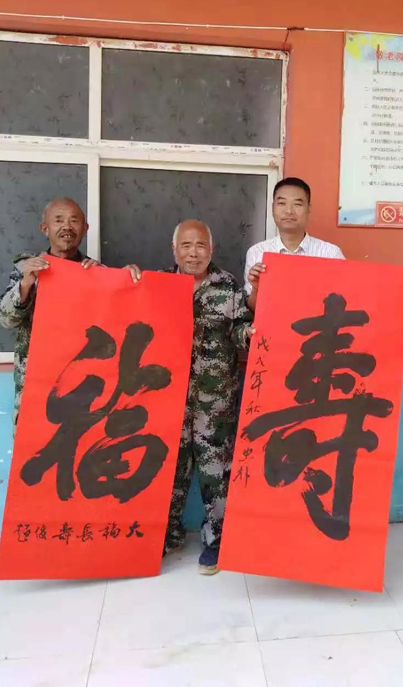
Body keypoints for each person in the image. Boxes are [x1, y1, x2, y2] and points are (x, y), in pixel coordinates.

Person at [127, 219, 253, 576]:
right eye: (186, 245)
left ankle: (217, 540)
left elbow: (240, 330)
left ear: (211, 250)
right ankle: (167, 535)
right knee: (168, 469)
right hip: (167, 401)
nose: (193, 253)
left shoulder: (228, 286)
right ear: (174, 250)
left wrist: (252, 332)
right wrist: (125, 281)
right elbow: (128, 320)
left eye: (200, 245)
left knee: (216, 473)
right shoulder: (156, 285)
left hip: (215, 402)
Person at [245, 176, 403, 310]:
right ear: (272, 209)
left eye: (298, 204)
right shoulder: (258, 252)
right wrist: (256, 288)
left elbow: (352, 296)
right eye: (282, 203)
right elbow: (253, 309)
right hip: (275, 340)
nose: (289, 211)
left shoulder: (330, 253)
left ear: (309, 209)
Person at [0, 198, 100, 425]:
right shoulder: (26, 268)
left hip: (82, 390)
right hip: (35, 388)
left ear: (85, 229)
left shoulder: (97, 272)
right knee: (33, 447)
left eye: (74, 221)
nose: (67, 227)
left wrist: (112, 281)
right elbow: (4, 319)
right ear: (45, 228)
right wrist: (25, 284)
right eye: (58, 220)